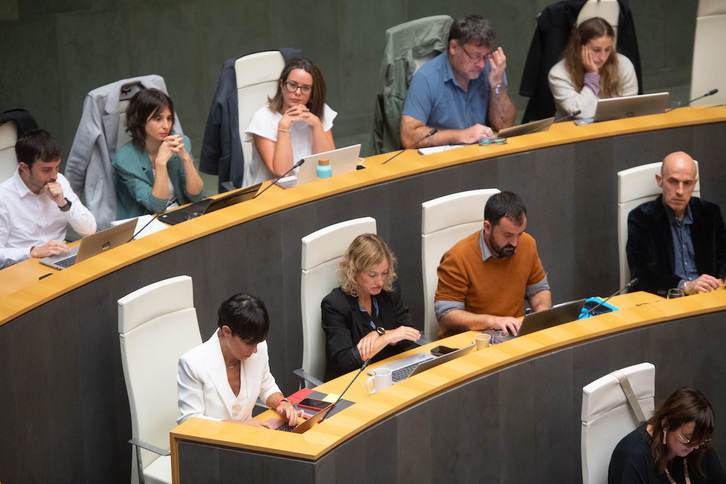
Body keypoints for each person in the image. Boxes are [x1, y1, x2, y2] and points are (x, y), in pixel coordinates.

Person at [434, 191, 551, 339]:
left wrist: (541, 315)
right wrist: (493, 321)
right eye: (508, 235)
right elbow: (446, 315)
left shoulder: (528, 244)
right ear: (488, 227)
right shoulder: (457, 258)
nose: (515, 243)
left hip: (511, 336)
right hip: (470, 342)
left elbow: (539, 290)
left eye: (519, 234)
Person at [177, 293, 302, 428]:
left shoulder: (259, 348)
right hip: (211, 444)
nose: (254, 350)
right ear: (227, 331)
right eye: (249, 343)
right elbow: (190, 422)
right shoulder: (192, 363)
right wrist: (242, 426)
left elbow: (266, 386)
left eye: (257, 343)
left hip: (248, 440)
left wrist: (282, 403)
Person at [400, 15, 516, 149]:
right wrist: (460, 135)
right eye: (475, 56)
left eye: (485, 56)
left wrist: (497, 84)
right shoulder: (426, 77)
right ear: (454, 47)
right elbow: (409, 137)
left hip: (483, 155)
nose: (481, 65)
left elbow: (504, 126)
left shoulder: (492, 68)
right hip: (443, 162)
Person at [321, 234, 421, 381]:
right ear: (354, 271)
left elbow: (409, 335)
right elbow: (346, 361)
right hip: (354, 380)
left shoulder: (389, 290)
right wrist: (387, 337)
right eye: (372, 275)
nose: (380, 281)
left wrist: (380, 334)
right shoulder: (335, 305)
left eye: (384, 273)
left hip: (390, 371)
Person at [627, 152, 726, 297]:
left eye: (687, 183)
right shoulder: (641, 218)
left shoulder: (710, 213)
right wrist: (685, 286)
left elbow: (723, 255)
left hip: (706, 297)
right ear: (660, 180)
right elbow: (641, 275)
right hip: (665, 300)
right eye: (673, 182)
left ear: (694, 184)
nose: (680, 191)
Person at [0, 129, 96, 269]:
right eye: (46, 170)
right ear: (24, 167)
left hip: (60, 259)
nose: (54, 175)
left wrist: (63, 204)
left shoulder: (60, 181)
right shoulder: (4, 196)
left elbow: (89, 230)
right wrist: (32, 251)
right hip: (21, 268)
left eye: (56, 167)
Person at [112, 88, 204, 220]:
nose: (166, 125)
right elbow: (156, 207)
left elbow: (197, 196)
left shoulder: (181, 142)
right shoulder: (124, 160)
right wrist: (160, 163)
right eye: (158, 119)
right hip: (147, 223)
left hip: (183, 216)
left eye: (169, 118)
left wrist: (186, 159)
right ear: (141, 120)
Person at [243, 57, 336, 187]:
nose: (298, 92)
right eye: (292, 85)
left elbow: (329, 162)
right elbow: (283, 172)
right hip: (269, 192)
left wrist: (316, 124)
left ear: (312, 92)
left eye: (305, 88)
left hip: (309, 187)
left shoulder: (321, 112)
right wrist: (283, 126)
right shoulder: (262, 119)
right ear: (282, 85)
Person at [609, 387, 726, 483]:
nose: (695, 446)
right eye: (688, 438)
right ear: (666, 425)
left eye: (701, 440)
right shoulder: (631, 457)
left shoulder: (698, 446)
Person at [548, 17, 638, 120]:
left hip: (615, 128)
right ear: (579, 48)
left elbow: (630, 110)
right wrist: (592, 75)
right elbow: (584, 114)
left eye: (607, 50)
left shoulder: (623, 64)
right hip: (574, 132)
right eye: (596, 50)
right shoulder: (559, 73)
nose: (602, 57)